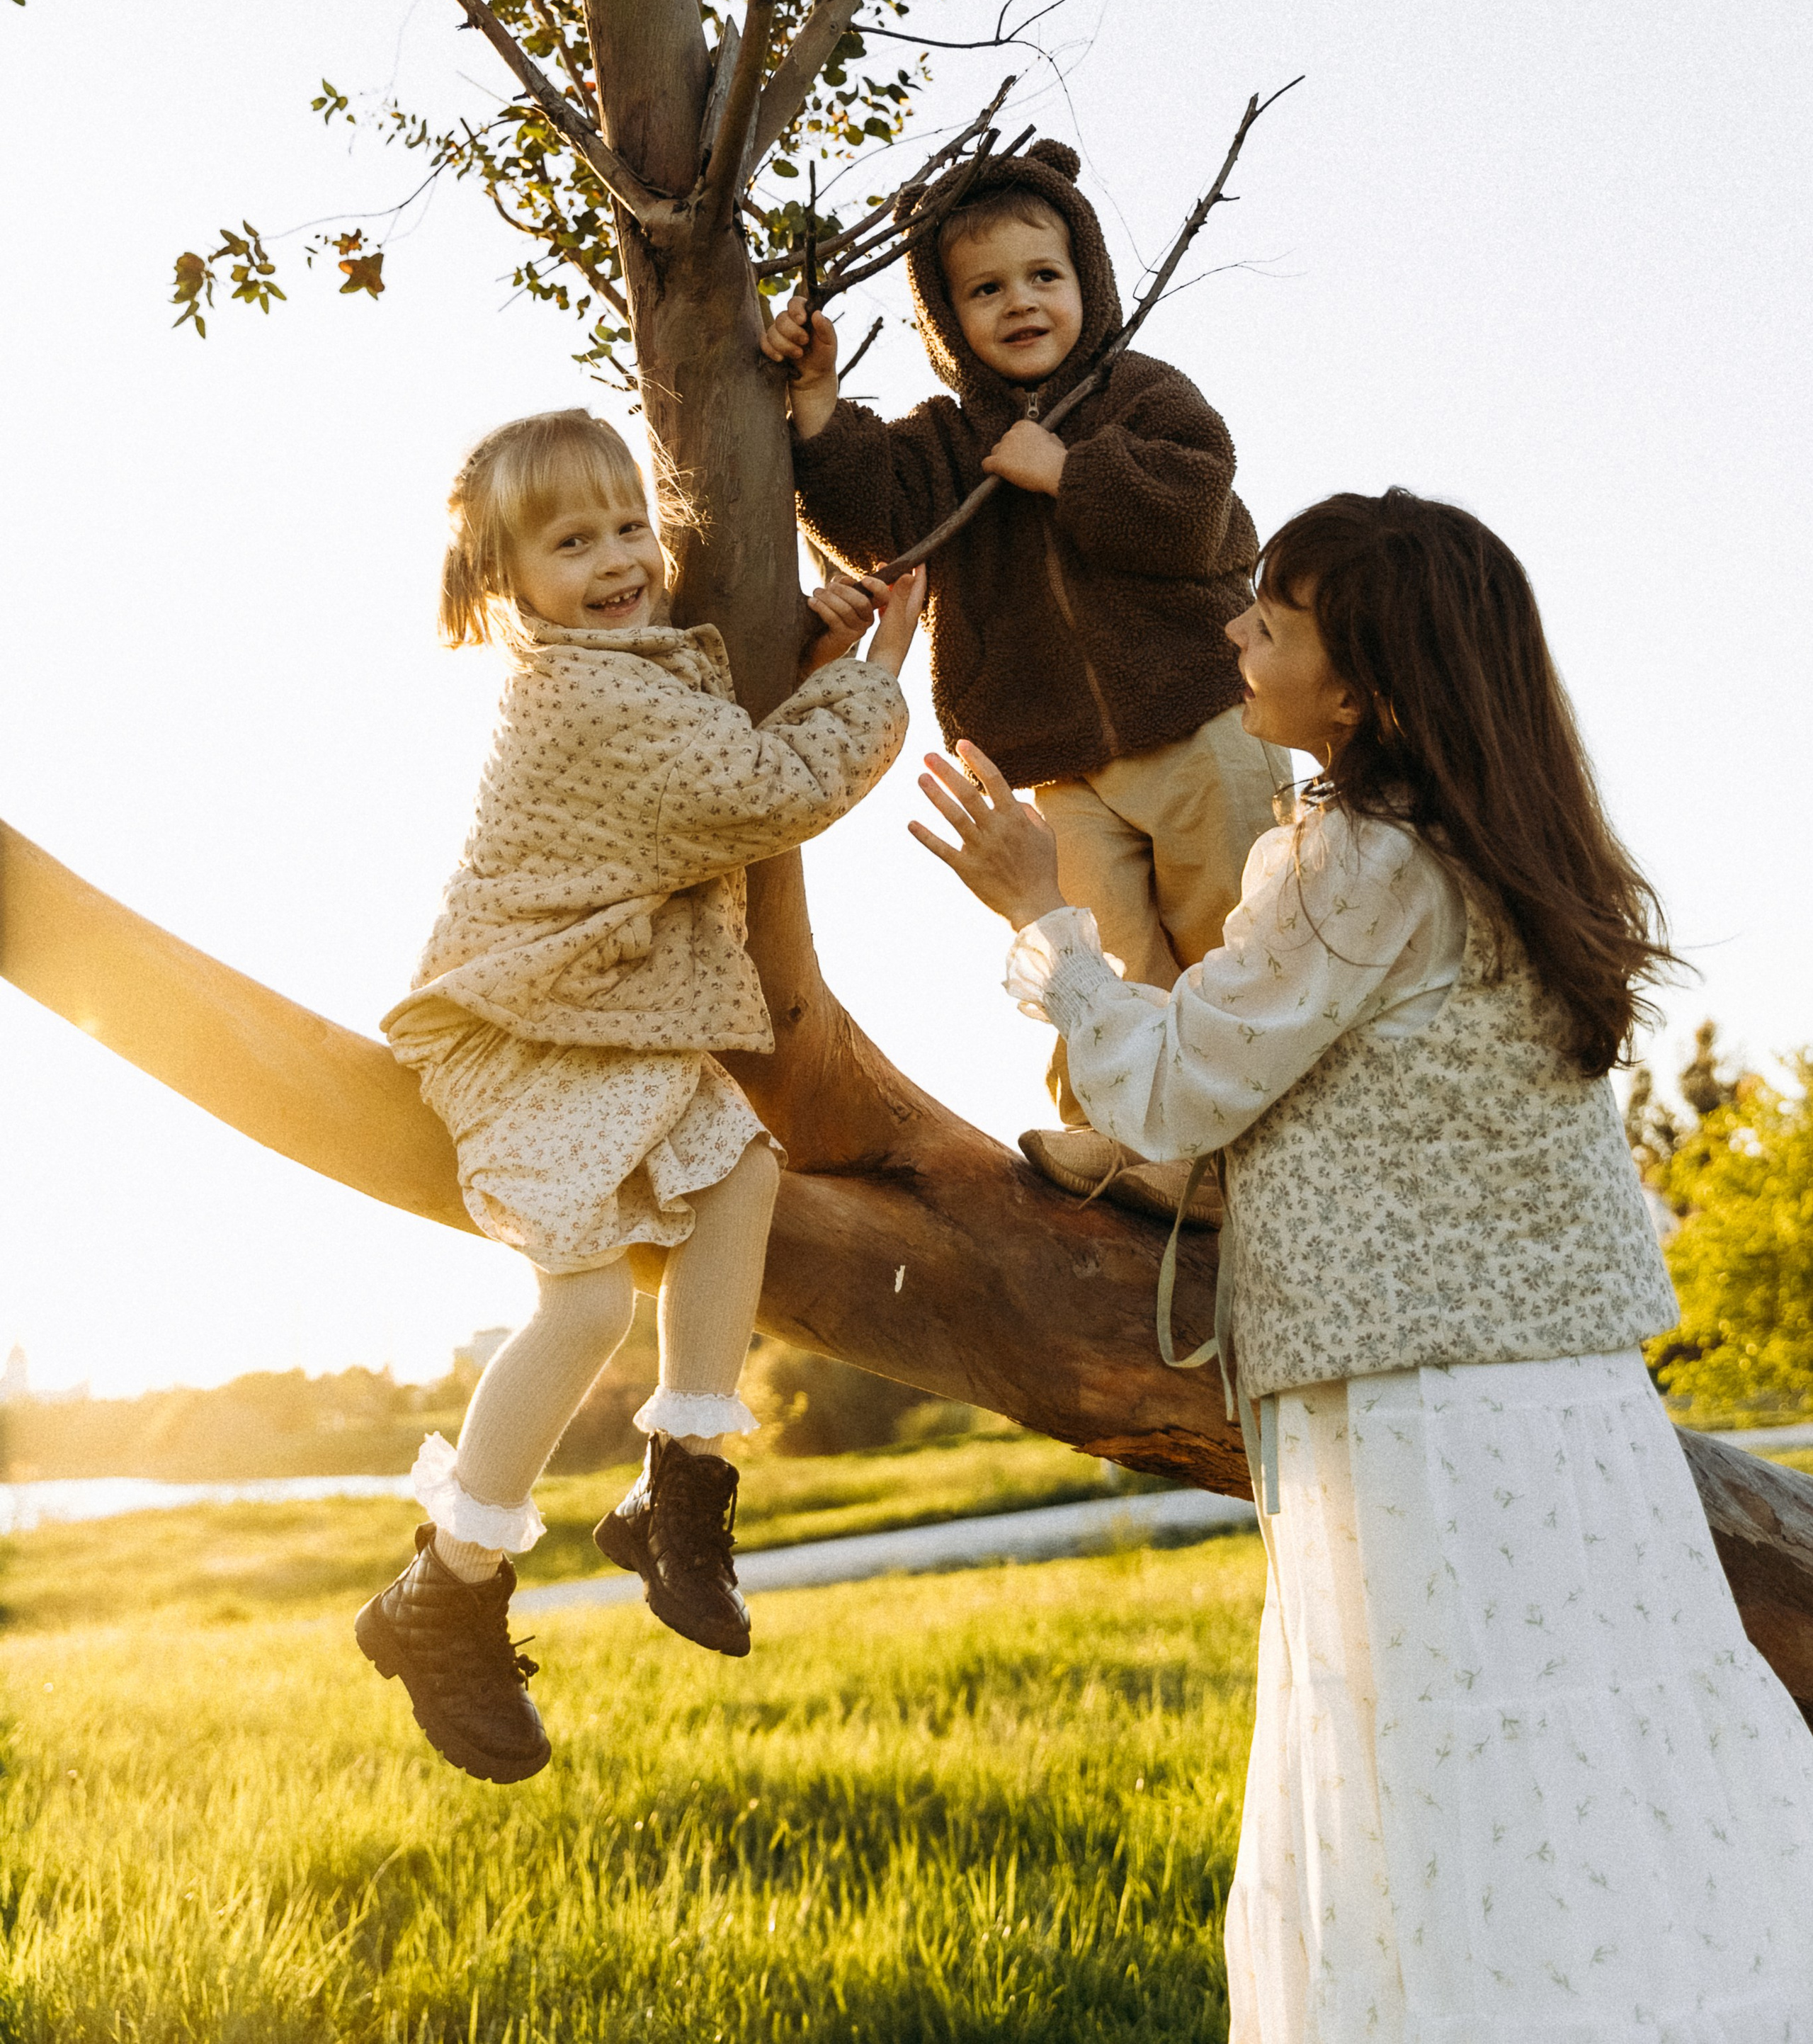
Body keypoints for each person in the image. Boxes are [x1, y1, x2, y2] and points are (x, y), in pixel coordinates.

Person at [910, 486, 1813, 2036]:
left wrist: (1040, 918)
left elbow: (1175, 1082)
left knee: (1436, 1778)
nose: (1234, 628)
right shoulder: (1512, 847)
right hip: (1571, 1412)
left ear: (1366, 682)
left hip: (1416, 1418)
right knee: (1612, 1768)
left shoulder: (1349, 860)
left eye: (1273, 614)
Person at [360, 407, 923, 1785]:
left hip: (614, 1020)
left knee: (740, 1172)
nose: (616, 559)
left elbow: (717, 721)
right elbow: (773, 784)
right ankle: (447, 1585)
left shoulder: (624, 662)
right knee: (589, 1299)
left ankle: (679, 1494)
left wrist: (806, 638)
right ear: (505, 581)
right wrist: (885, 659)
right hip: (527, 1024)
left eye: (628, 526)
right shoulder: (586, 696)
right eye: (571, 541)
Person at [761, 136, 1290, 1219]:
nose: (1020, 303)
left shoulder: (1143, 394)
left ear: (1086, 279)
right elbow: (873, 506)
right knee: (1102, 949)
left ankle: (1275, 1139)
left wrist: (1073, 473)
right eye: (985, 289)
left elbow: (1203, 516)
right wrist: (814, 404)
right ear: (945, 318)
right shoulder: (949, 444)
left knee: (1243, 934)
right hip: (1059, 761)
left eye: (1044, 277)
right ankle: (1133, 1142)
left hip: (1201, 721)